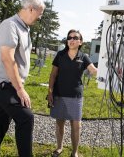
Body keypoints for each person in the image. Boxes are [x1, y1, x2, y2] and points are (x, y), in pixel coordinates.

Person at [0, 0, 45, 157]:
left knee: (1, 125)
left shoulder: (24, 28)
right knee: (26, 118)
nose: (41, 16)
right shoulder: (10, 25)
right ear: (31, 9)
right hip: (2, 83)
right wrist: (20, 89)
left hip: (10, 83)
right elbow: (7, 58)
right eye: (40, 13)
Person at [47, 29, 97, 157]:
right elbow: (53, 75)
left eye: (75, 38)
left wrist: (109, 69)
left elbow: (93, 71)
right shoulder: (60, 55)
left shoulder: (84, 56)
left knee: (76, 125)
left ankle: (75, 152)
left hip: (75, 96)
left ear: (80, 42)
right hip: (59, 94)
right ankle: (59, 147)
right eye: (69, 37)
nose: (72, 40)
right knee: (59, 123)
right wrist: (50, 92)